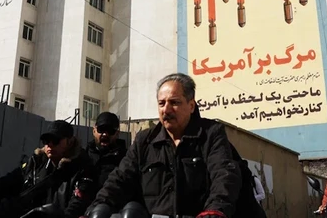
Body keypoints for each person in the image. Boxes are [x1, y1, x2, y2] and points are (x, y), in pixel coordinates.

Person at [82, 73, 242, 218]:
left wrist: (214, 211)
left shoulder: (211, 134)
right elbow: (120, 180)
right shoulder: (145, 141)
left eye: (174, 103)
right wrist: (95, 209)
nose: (166, 109)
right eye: (161, 103)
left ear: (191, 106)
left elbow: (224, 176)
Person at [0, 120, 97, 217]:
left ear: (69, 142)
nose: (50, 145)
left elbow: (78, 202)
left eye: (55, 140)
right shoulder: (36, 163)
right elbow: (3, 185)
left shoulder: (82, 167)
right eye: (46, 141)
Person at [86, 112, 127, 187]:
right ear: (94, 131)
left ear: (117, 134)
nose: (105, 134)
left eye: (110, 131)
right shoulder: (84, 155)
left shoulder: (125, 160)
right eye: (101, 129)